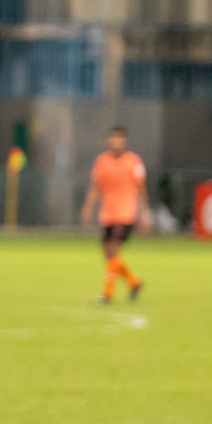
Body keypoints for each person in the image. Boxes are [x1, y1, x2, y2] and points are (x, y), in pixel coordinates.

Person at [80, 127, 150, 305]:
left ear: (124, 141)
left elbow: (141, 189)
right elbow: (95, 186)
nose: (115, 142)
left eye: (118, 139)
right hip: (108, 215)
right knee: (108, 254)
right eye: (112, 139)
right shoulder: (102, 161)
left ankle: (107, 295)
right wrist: (88, 207)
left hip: (125, 213)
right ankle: (134, 282)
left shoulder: (133, 161)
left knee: (113, 251)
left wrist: (145, 213)